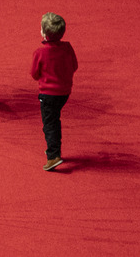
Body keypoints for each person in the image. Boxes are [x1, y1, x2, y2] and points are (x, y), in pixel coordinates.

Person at [31, 12, 78, 171]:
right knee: (54, 120)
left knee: (50, 124)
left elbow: (34, 74)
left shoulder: (40, 52)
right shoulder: (67, 47)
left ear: (44, 33)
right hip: (64, 92)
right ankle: (54, 148)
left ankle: (53, 156)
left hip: (47, 95)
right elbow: (74, 66)